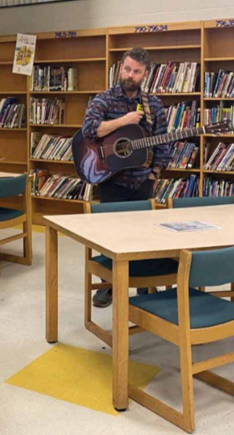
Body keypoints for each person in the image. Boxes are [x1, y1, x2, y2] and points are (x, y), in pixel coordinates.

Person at [81, 47, 171, 308]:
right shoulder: (105, 99)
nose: (131, 75)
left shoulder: (153, 104)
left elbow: (163, 142)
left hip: (143, 181)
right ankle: (108, 286)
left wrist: (153, 175)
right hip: (112, 180)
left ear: (145, 74)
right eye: (127, 69)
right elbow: (89, 129)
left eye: (137, 71)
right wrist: (124, 120)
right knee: (111, 235)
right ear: (121, 68)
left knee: (145, 235)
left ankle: (145, 284)